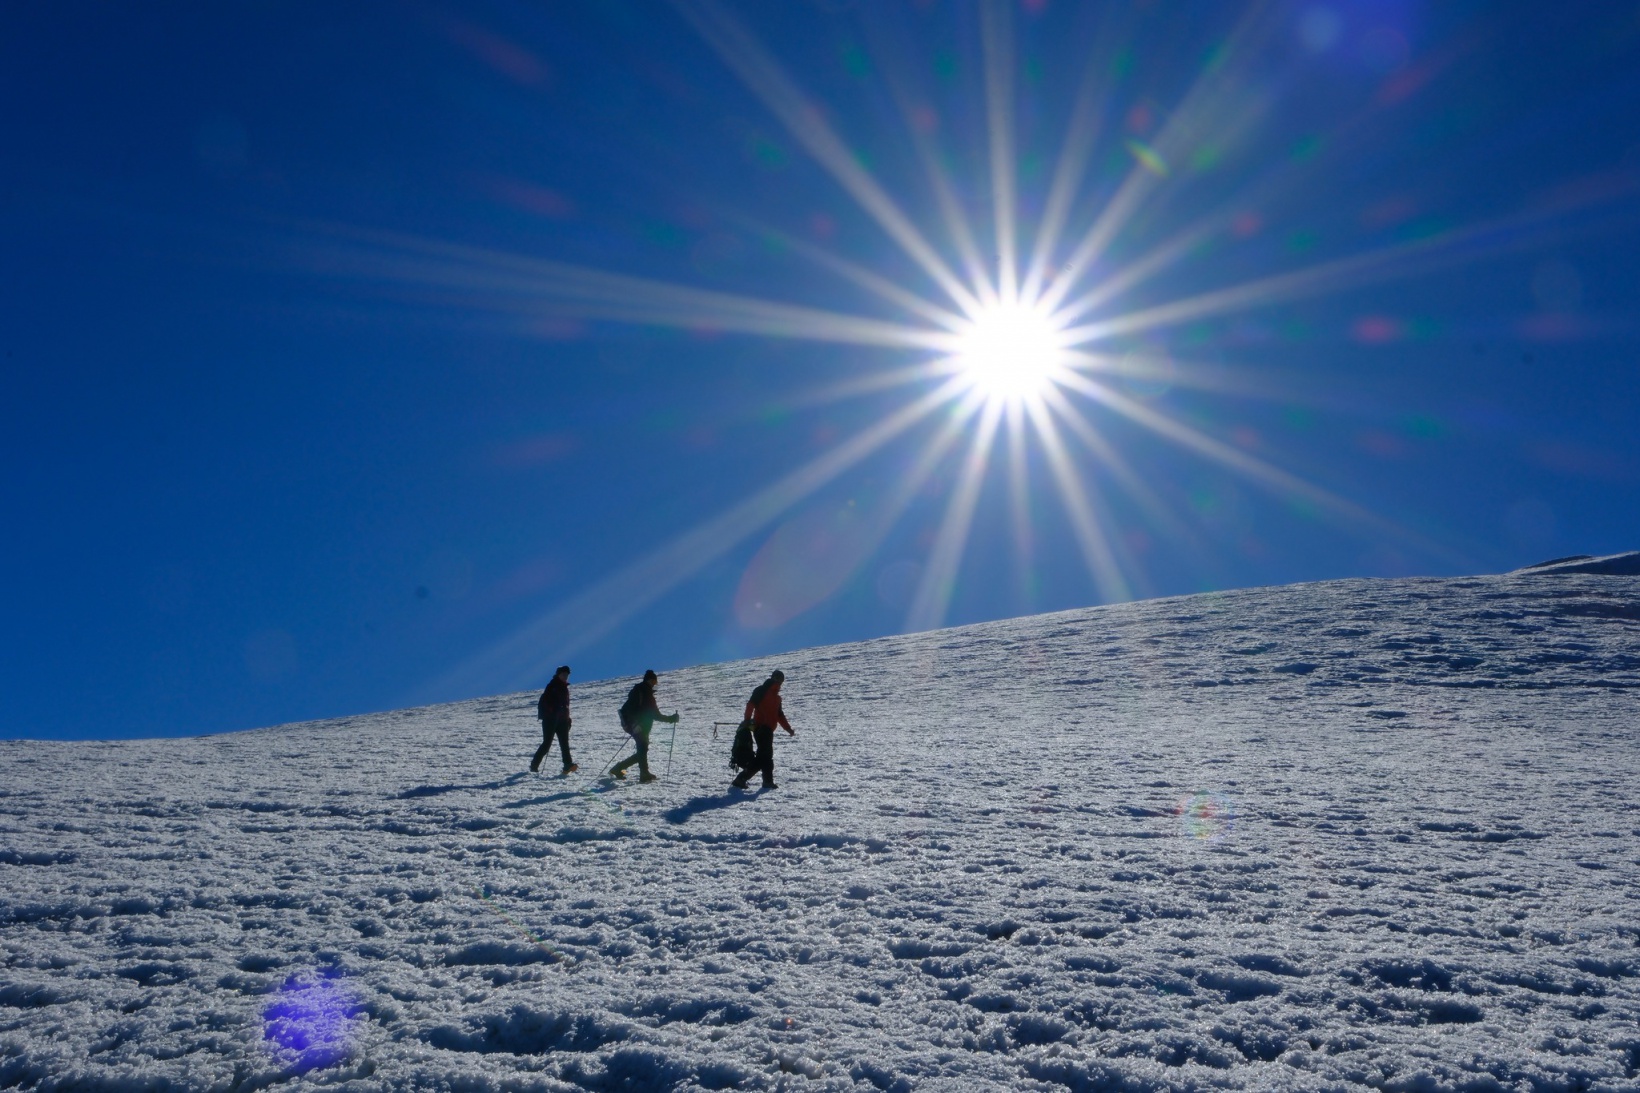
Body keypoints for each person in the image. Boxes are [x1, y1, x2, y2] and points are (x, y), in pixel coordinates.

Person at [610, 669, 679, 784]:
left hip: (641, 726)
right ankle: (643, 773)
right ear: (650, 680)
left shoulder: (648, 694)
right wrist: (635, 724)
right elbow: (630, 708)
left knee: (643, 750)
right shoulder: (639, 690)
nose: (655, 684)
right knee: (642, 748)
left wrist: (671, 719)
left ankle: (620, 768)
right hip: (635, 725)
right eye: (654, 682)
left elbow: (655, 715)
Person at [733, 669, 794, 790]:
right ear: (773, 677)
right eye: (777, 678)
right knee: (765, 756)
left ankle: (757, 780)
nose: (779, 682)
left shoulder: (777, 698)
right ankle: (756, 780)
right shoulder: (761, 690)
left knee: (764, 757)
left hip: (768, 730)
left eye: (781, 680)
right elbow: (751, 704)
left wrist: (788, 729)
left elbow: (779, 715)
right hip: (761, 728)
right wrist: (747, 720)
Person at [530, 665, 577, 774]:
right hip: (550, 719)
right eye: (563, 674)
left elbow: (565, 706)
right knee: (547, 743)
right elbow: (547, 702)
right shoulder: (552, 686)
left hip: (562, 720)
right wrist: (553, 712)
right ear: (558, 675)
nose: (565, 676)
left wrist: (567, 719)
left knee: (564, 744)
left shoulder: (564, 688)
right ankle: (534, 765)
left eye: (567, 675)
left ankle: (567, 764)